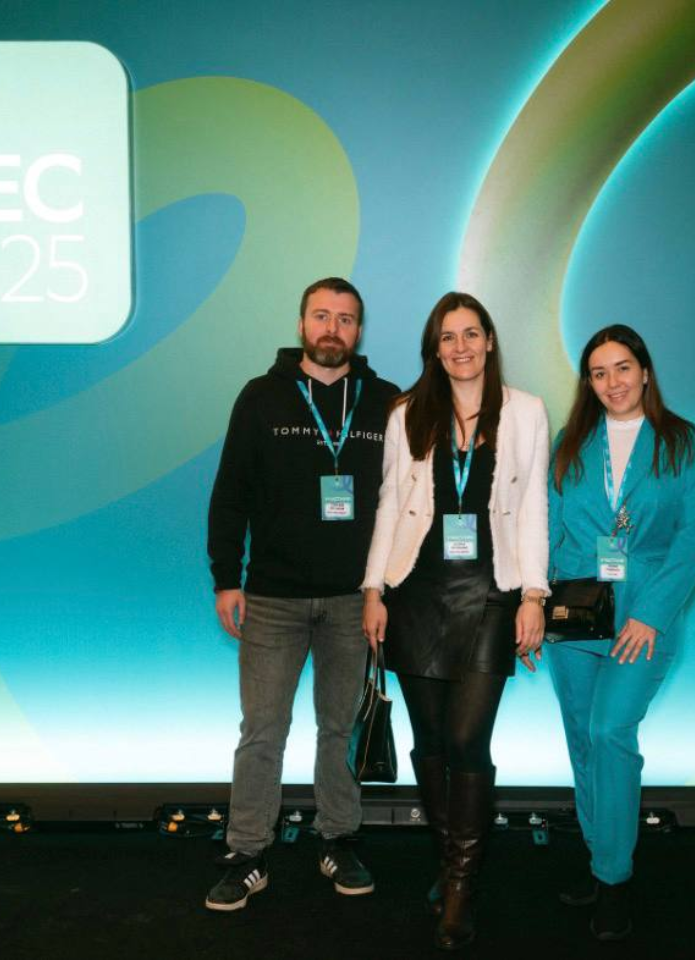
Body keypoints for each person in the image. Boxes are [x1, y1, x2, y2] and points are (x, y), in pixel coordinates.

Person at [361, 292, 550, 951]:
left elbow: (534, 507)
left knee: (468, 739)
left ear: (490, 340)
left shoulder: (526, 412)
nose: (460, 346)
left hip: (493, 594)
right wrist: (373, 588)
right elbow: (389, 504)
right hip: (417, 592)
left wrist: (534, 594)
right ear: (434, 349)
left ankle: (463, 883)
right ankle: (450, 860)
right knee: (432, 742)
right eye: (448, 337)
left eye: (471, 334)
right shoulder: (408, 412)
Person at [204, 277, 399, 912]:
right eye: (321, 315)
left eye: (345, 318)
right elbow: (231, 491)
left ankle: (338, 839)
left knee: (339, 730)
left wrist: (387, 589)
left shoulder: (387, 402)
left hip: (353, 600)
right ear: (301, 325)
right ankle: (247, 852)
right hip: (273, 598)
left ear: (359, 331)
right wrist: (226, 577)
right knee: (263, 730)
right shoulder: (260, 397)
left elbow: (406, 501)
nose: (332, 328)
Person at [545, 323, 695, 941]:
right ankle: (600, 860)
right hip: (575, 613)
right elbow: (549, 527)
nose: (612, 382)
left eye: (622, 368)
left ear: (644, 371)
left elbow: (694, 536)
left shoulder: (682, 441)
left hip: (643, 615)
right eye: (599, 373)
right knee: (582, 743)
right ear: (588, 383)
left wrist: (651, 615)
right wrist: (533, 605)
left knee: (609, 732)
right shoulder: (570, 442)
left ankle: (614, 878)